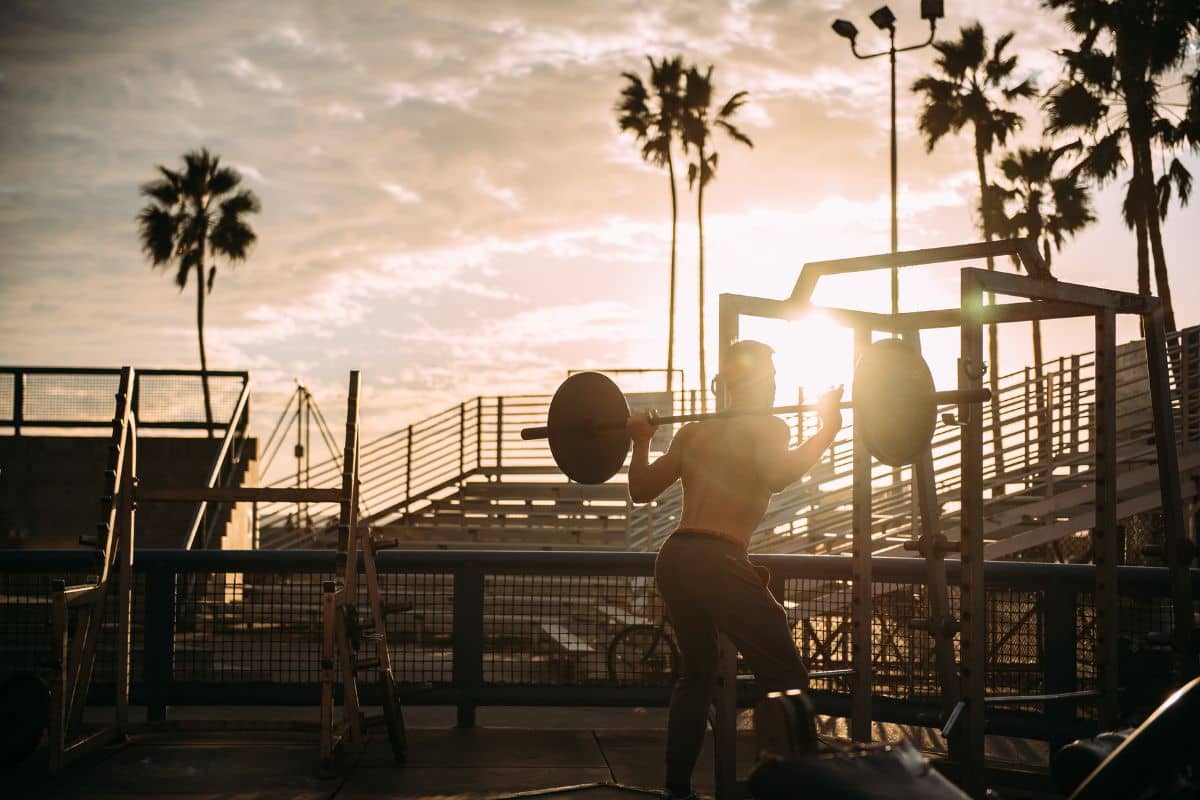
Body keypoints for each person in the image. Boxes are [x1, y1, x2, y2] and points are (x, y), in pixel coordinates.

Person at [625, 339, 844, 800]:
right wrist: (828, 428)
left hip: (676, 558)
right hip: (717, 559)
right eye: (770, 377)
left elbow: (640, 489)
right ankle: (793, 786)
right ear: (756, 382)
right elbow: (779, 475)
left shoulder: (693, 432)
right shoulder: (770, 427)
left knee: (697, 673)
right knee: (788, 677)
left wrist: (640, 441)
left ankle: (677, 788)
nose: (774, 385)